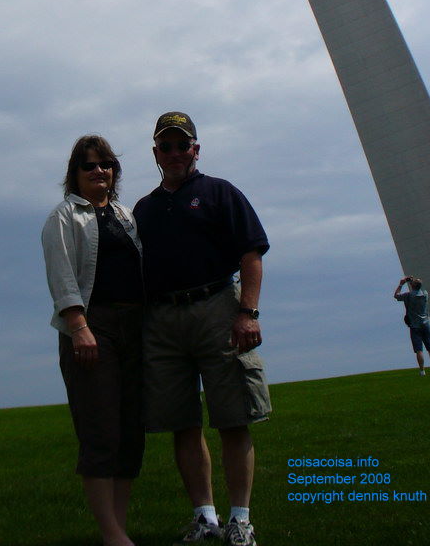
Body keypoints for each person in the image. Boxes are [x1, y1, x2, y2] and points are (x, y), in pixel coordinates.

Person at [133, 112, 271, 546]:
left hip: (217, 307)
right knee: (182, 423)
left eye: (182, 145)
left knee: (233, 417)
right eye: (166, 146)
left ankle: (240, 520)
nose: (174, 153)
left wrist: (248, 312)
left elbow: (251, 253)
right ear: (156, 153)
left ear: (196, 148)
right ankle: (204, 519)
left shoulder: (220, 193)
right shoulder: (144, 208)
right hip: (163, 318)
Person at [42, 134, 144, 546]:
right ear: (75, 174)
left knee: (129, 431)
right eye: (89, 165)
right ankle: (111, 533)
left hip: (133, 328)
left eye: (106, 164)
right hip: (90, 328)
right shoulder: (64, 217)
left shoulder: (125, 216)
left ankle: (117, 530)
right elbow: (63, 275)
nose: (99, 171)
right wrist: (78, 326)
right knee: (100, 430)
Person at [394, 276, 430, 375]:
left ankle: (422, 370)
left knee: (419, 350)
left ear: (413, 285)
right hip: (426, 324)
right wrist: (413, 282)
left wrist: (402, 283)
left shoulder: (408, 295)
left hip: (415, 326)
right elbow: (418, 287)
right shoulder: (424, 294)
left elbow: (396, 295)